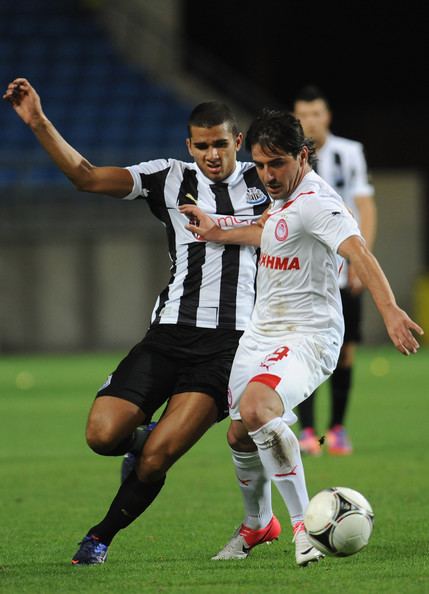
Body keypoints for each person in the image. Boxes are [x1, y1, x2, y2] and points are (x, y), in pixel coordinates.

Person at [3, 78, 322, 567]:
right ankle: (147, 435)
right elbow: (87, 177)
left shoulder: (267, 181)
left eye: (220, 143)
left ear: (237, 141)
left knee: (157, 458)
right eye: (202, 145)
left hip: (230, 348)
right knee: (101, 436)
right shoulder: (167, 178)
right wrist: (40, 123)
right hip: (167, 336)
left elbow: (306, 215)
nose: (212, 154)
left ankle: (99, 537)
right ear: (188, 146)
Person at [180, 108, 423, 560]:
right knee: (239, 435)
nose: (268, 176)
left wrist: (388, 310)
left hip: (309, 334)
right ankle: (257, 526)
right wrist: (219, 229)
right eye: (260, 164)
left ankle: (303, 530)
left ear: (303, 156)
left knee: (257, 407)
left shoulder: (317, 202)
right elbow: (272, 232)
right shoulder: (282, 198)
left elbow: (358, 251)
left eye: (278, 164)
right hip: (262, 332)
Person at [293, 85, 377, 456]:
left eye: (315, 113)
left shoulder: (349, 152)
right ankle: (308, 431)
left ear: (326, 116)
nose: (309, 120)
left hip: (345, 270)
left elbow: (365, 207)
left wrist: (363, 260)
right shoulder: (289, 155)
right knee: (303, 348)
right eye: (302, 115)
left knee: (346, 350)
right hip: (306, 270)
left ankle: (337, 429)